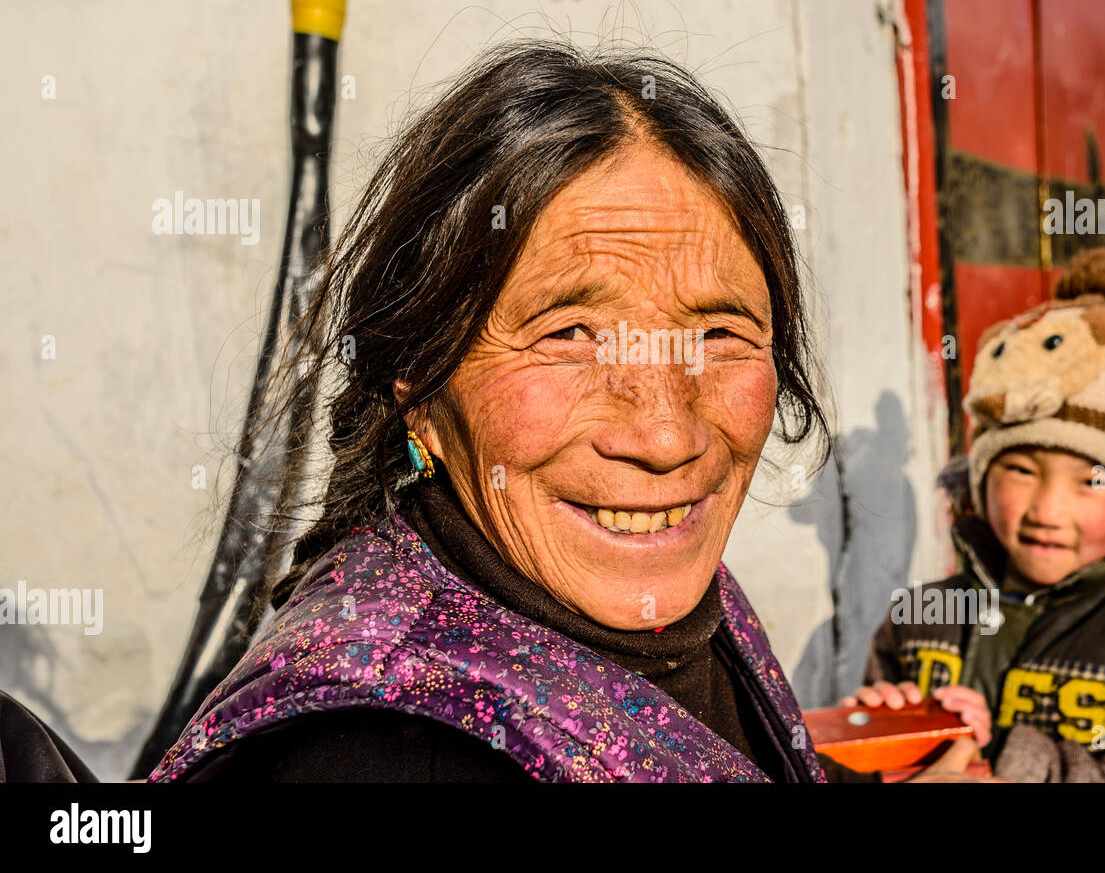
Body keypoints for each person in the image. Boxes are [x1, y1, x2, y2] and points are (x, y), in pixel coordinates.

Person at [146, 38, 976, 783]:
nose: (664, 436)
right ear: (418, 384)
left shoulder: (653, 606)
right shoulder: (382, 751)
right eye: (570, 334)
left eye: (720, 332)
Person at [843, 248, 1105, 782]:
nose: (1046, 509)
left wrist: (1004, 761)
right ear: (978, 479)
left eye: (1090, 480)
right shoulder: (922, 617)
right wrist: (880, 741)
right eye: (1020, 470)